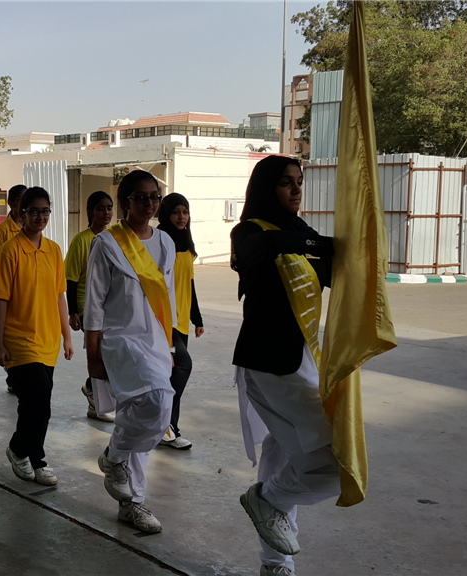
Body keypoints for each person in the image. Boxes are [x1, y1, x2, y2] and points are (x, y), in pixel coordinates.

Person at [230, 156, 337, 576]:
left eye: (299, 182)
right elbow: (269, 248)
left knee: (281, 459)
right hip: (269, 366)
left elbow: (332, 268)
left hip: (306, 359)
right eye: (285, 183)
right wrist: (322, 244)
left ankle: (275, 565)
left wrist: (330, 246)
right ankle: (268, 500)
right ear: (265, 189)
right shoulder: (249, 232)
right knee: (334, 461)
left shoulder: (301, 232)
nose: (296, 190)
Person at [83, 170, 176, 534]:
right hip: (120, 340)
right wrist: (93, 354)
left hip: (155, 340)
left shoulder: (165, 242)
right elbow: (94, 303)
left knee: (143, 416)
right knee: (157, 401)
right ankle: (116, 459)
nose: (150, 204)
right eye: (141, 197)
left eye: (155, 197)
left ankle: (130, 499)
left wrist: (170, 344)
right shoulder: (106, 244)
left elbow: (166, 298)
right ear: (124, 202)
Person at [0, 187, 74, 486]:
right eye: (34, 211)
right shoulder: (11, 250)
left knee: (42, 405)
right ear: (21, 213)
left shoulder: (53, 250)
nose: (40, 217)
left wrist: (66, 336)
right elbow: (1, 299)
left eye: (45, 211)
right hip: (19, 339)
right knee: (36, 399)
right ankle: (19, 450)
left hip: (48, 339)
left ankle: (35, 458)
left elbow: (59, 296)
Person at [156, 193, 205, 450]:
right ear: (166, 214)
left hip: (182, 321)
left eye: (185, 212)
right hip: (165, 321)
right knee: (182, 366)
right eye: (176, 212)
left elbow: (189, 284)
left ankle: (167, 428)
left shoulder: (187, 246)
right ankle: (164, 424)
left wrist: (197, 318)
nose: (181, 217)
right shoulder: (158, 242)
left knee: (173, 374)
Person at [65, 190, 115, 423]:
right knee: (100, 353)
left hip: (110, 307)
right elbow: (71, 279)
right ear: (90, 212)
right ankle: (95, 398)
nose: (106, 213)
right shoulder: (81, 241)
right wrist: (73, 312)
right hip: (87, 307)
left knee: (111, 353)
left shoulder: (115, 238)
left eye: (109, 208)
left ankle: (92, 390)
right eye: (100, 208)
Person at [0, 184, 26, 256]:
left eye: (27, 199)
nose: (25, 203)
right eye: (21, 199)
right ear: (11, 204)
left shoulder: (32, 227)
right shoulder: (1, 230)